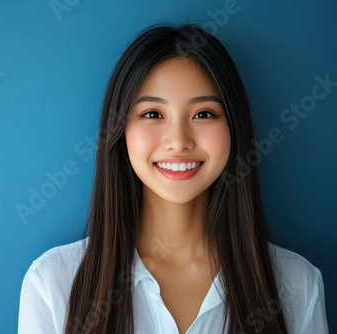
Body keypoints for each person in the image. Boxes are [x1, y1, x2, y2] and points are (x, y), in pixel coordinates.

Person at [17, 24, 329, 334]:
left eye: (204, 114)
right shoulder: (52, 284)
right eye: (152, 114)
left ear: (234, 128)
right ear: (120, 130)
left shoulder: (298, 285)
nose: (178, 141)